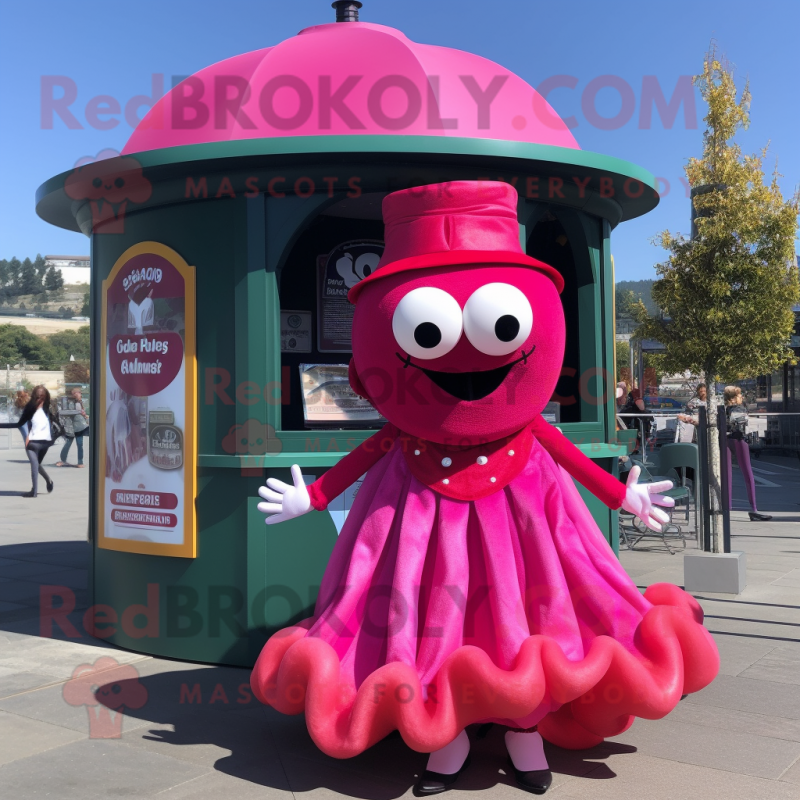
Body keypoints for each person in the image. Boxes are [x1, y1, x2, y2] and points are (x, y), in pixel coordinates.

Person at [250, 182, 718, 796]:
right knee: (427, 627)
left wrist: (621, 496)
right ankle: (445, 735)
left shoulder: (529, 432)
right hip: (413, 526)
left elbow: (573, 459)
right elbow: (364, 456)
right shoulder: (400, 436)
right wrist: (309, 498)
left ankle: (525, 732)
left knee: (523, 625)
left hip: (527, 527)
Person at [724, 385, 771, 522]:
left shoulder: (724, 409)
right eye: (739, 395)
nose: (741, 397)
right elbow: (744, 425)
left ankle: (727, 508)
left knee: (727, 475)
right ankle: (753, 508)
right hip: (739, 439)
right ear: (734, 397)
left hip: (727, 440)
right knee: (748, 474)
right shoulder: (741, 409)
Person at [0, 384, 56, 497]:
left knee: (36, 465)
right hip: (42, 442)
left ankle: (38, 488)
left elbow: (19, 424)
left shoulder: (35, 407)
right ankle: (38, 488)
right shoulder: (46, 406)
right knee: (35, 465)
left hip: (38, 442)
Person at [56, 388, 89, 468]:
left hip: (79, 426)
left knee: (79, 444)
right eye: (73, 393)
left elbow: (83, 412)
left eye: (77, 393)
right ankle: (63, 460)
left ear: (80, 393)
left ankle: (80, 462)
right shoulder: (71, 402)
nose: (75, 395)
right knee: (68, 443)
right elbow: (68, 412)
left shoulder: (81, 402)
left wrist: (85, 415)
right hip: (71, 426)